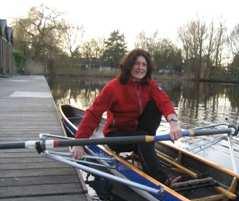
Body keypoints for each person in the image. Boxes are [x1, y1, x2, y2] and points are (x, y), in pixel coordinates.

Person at [71, 48, 181, 184]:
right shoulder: (113, 87)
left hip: (139, 132)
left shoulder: (150, 85)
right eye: (136, 64)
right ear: (129, 66)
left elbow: (164, 102)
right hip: (116, 136)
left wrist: (173, 124)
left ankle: (143, 148)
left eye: (144, 64)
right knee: (143, 140)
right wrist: (79, 142)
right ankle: (162, 179)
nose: (140, 68)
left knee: (155, 105)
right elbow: (94, 113)